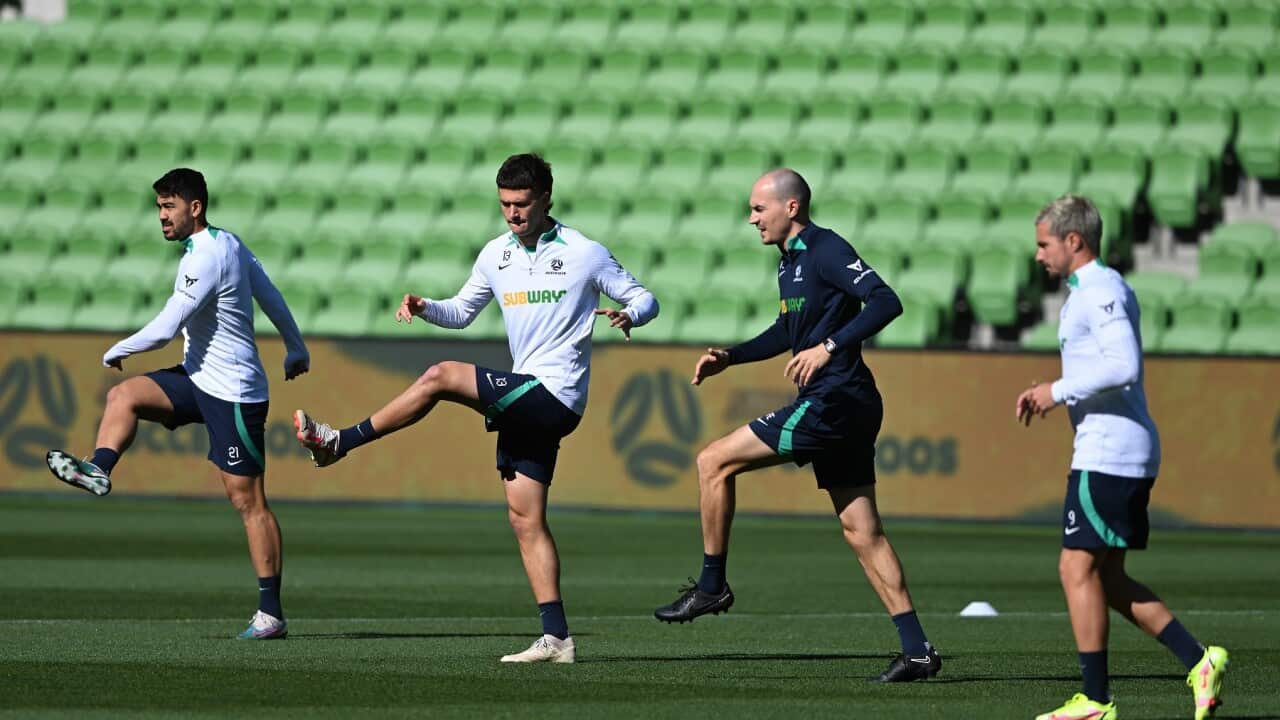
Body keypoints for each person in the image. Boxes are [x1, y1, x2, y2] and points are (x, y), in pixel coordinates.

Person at [293, 153, 658, 663]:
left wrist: (630, 315)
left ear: (546, 198)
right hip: (527, 399)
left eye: (522, 203)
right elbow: (462, 312)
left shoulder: (584, 252)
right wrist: (426, 308)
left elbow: (646, 297)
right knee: (524, 518)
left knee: (440, 376)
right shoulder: (495, 255)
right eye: (505, 203)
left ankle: (339, 442)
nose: (512, 213)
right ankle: (557, 639)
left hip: (555, 394)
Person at [653, 169, 941, 682]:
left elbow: (886, 301)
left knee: (712, 461)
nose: (751, 218)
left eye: (759, 209)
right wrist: (731, 357)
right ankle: (917, 651)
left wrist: (829, 347)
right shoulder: (789, 266)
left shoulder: (826, 248)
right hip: (845, 404)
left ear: (791, 208)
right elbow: (788, 329)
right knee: (862, 531)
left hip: (836, 401)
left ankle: (712, 585)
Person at [46, 168, 311, 640]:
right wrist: (295, 346)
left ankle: (271, 613)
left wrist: (119, 348)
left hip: (234, 392)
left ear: (196, 207)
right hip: (198, 377)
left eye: (169, 207)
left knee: (247, 501)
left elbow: (168, 326)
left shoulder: (208, 255)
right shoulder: (227, 244)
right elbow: (268, 291)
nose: (162, 217)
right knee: (123, 397)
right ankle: (101, 468)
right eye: (159, 208)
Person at [1018, 195, 1229, 720]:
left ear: (1074, 241)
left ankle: (1095, 700)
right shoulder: (1085, 293)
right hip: (1107, 448)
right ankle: (1199, 661)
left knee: (1076, 568)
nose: (1038, 254)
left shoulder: (1102, 289)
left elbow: (1125, 365)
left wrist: (1056, 390)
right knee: (1106, 577)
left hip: (1112, 450)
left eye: (1044, 243)